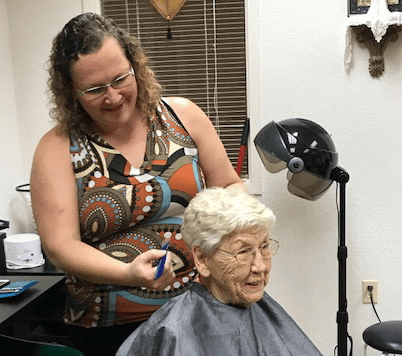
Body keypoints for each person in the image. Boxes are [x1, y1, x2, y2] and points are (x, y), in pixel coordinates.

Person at [30, 12, 243, 356]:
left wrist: (243, 236)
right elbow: (60, 246)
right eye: (95, 89)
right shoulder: (56, 149)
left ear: (135, 66)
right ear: (71, 91)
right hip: (111, 329)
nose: (112, 97)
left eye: (120, 80)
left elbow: (229, 186)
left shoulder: (183, 116)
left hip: (199, 309)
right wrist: (128, 273)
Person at [116, 187, 323, 356]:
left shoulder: (262, 310)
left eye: (264, 247)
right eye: (243, 252)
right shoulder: (173, 331)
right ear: (202, 259)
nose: (260, 266)